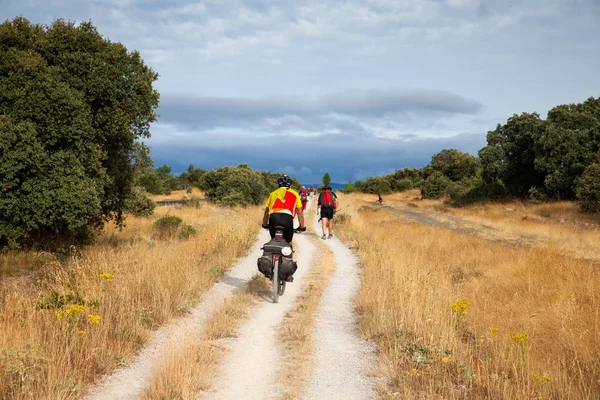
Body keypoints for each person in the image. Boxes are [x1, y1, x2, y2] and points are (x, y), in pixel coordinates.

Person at [262, 174, 306, 244]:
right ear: (290, 185)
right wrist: (302, 227)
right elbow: (300, 214)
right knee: (289, 242)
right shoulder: (295, 194)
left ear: (278, 184)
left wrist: (264, 224)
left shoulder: (272, 193)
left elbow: (267, 211)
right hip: (287, 218)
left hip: (273, 218)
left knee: (273, 240)